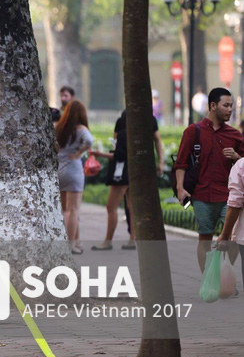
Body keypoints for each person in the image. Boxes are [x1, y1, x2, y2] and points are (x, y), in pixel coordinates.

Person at [175, 87, 244, 271]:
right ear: (213, 106)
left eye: (231, 106)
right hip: (201, 195)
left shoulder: (235, 135)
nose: (230, 109)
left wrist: (237, 157)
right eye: (226, 105)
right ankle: (208, 279)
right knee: (205, 238)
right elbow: (181, 163)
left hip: (229, 196)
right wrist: (181, 189)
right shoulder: (193, 131)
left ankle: (225, 275)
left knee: (232, 237)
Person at [90, 110, 164, 251]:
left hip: (122, 172)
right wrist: (160, 162)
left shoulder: (123, 134)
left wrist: (99, 154)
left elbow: (118, 153)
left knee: (111, 207)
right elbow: (157, 140)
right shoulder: (147, 123)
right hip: (139, 169)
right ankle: (132, 240)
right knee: (132, 206)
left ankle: (108, 241)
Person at [56, 100, 94, 254]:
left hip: (60, 169)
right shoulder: (81, 129)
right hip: (74, 169)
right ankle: (70, 244)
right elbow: (90, 141)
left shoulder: (59, 128)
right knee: (73, 210)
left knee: (64, 209)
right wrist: (79, 153)